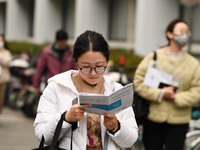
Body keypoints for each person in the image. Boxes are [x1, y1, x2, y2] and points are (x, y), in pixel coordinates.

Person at [34, 30, 138, 150]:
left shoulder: (117, 90)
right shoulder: (56, 88)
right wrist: (66, 118)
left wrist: (116, 127)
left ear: (107, 61)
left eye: (99, 66)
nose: (93, 73)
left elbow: (130, 141)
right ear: (76, 62)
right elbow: (42, 135)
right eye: (86, 67)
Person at [134, 18, 200, 150]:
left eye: (187, 32)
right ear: (169, 34)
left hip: (179, 120)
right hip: (153, 118)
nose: (184, 35)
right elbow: (138, 82)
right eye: (181, 31)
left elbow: (197, 90)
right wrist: (161, 93)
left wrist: (176, 97)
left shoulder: (193, 63)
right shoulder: (154, 57)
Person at [32, 29, 77, 95]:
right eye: (60, 42)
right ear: (56, 40)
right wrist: (36, 86)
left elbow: (76, 70)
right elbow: (39, 70)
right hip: (51, 86)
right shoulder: (47, 52)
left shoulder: (71, 53)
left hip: (67, 87)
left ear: (66, 41)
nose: (61, 44)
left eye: (63, 42)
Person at [0, 34, 12, 114]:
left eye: (1, 40)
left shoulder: (6, 52)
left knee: (1, 99)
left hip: (2, 80)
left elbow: (7, 62)